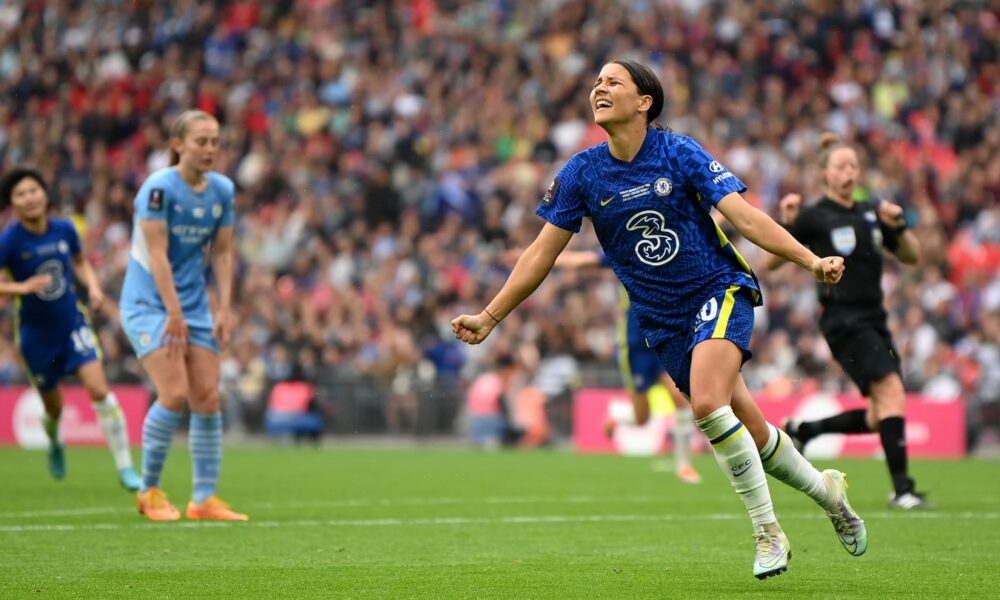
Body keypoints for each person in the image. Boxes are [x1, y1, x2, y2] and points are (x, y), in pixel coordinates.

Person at [452, 59, 867, 579]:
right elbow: (541, 254)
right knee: (756, 436)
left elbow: (745, 217)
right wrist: (491, 315)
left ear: (644, 101)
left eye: (612, 82)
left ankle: (767, 532)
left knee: (710, 407)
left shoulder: (677, 151)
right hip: (663, 321)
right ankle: (828, 493)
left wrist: (810, 261)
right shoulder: (583, 172)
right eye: (596, 82)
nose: (598, 88)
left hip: (718, 290)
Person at [770, 133, 931, 510]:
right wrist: (787, 223)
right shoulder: (813, 215)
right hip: (843, 319)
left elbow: (912, 256)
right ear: (824, 173)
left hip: (875, 318)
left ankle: (803, 430)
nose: (849, 172)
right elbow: (772, 261)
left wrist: (900, 225)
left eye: (854, 166)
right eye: (841, 166)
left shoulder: (872, 211)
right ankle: (903, 490)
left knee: (882, 413)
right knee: (892, 391)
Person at [120, 110, 247, 522]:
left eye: (215, 141)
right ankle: (148, 491)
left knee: (207, 396)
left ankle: (203, 499)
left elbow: (224, 252)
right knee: (173, 393)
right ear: (178, 144)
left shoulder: (223, 190)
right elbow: (156, 253)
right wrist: (172, 310)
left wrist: (224, 308)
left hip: (193, 305)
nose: (210, 149)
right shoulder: (157, 189)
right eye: (201, 141)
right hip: (148, 304)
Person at [0, 167, 139, 490]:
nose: (30, 198)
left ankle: (125, 467)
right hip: (36, 337)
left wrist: (92, 287)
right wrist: (20, 288)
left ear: (44, 194)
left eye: (34, 190)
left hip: (71, 323)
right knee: (54, 408)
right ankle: (55, 441)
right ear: (13, 203)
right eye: (21, 194)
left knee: (100, 391)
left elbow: (79, 261)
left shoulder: (64, 229)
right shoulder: (9, 240)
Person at [540, 249, 701, 483]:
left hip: (663, 341)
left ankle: (684, 465)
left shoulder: (671, 250)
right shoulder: (629, 252)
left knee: (683, 402)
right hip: (635, 346)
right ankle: (616, 419)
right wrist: (542, 255)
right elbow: (583, 259)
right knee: (641, 417)